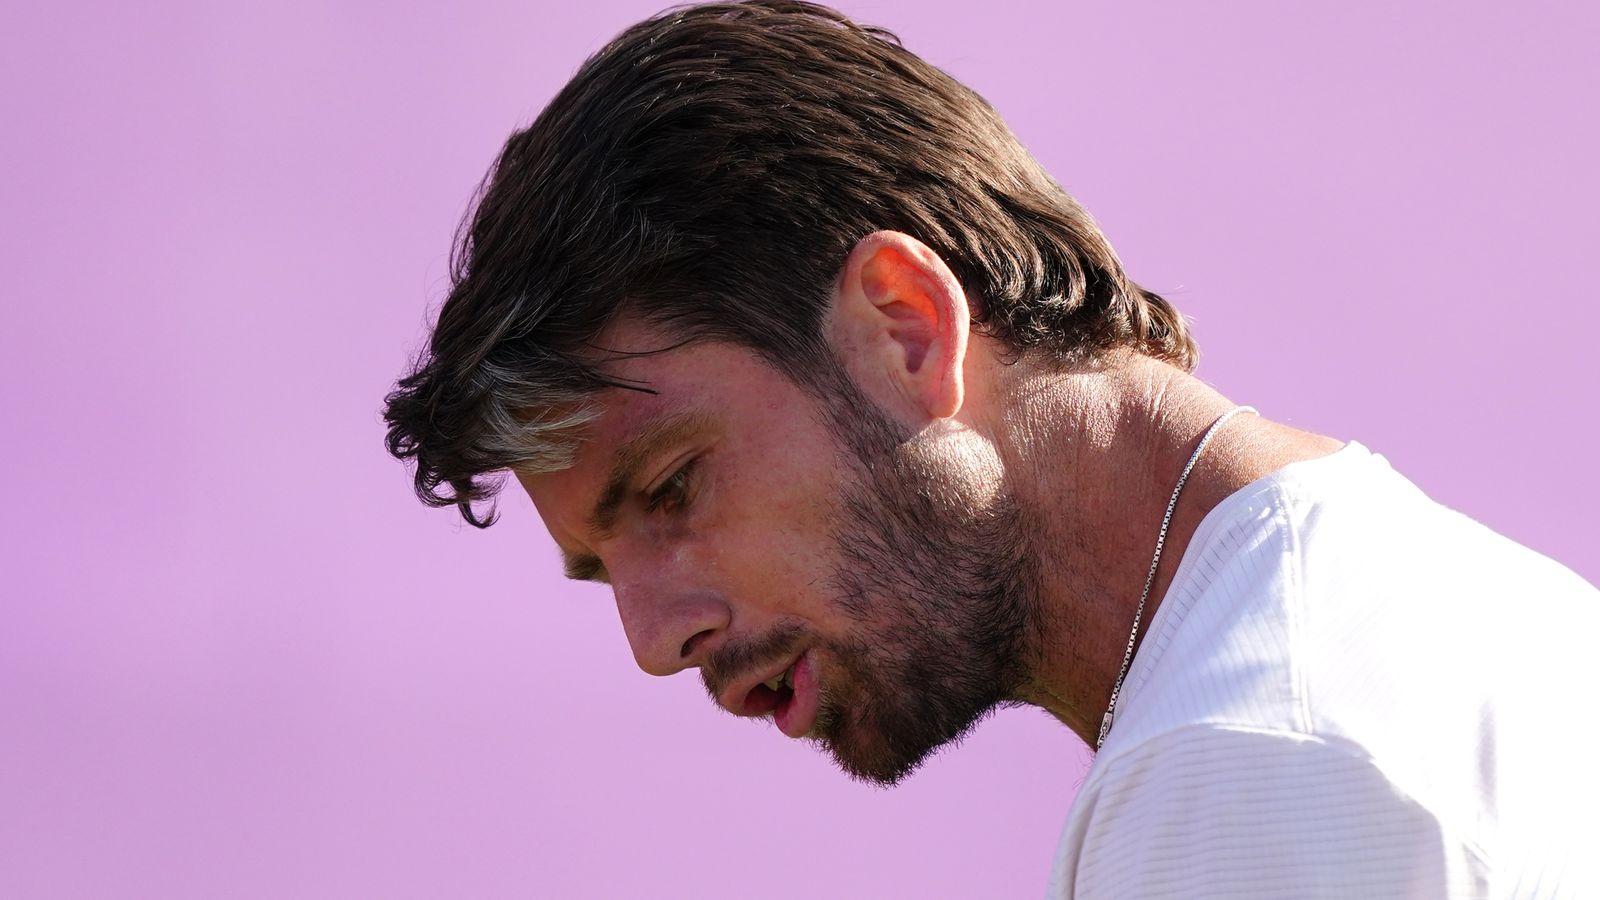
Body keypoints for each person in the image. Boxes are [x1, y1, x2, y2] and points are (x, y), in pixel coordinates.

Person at [381, 2, 1597, 896]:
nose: (655, 642)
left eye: (670, 486)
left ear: (905, 332)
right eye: (601, 568)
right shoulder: (1490, 620)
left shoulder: (1251, 761)